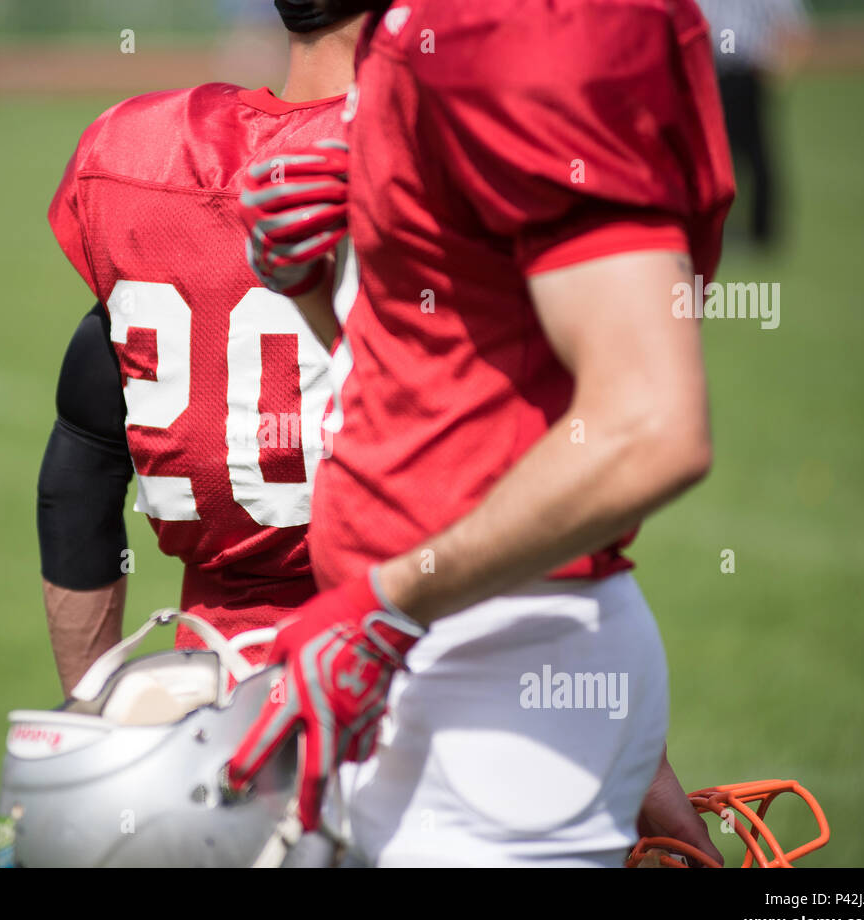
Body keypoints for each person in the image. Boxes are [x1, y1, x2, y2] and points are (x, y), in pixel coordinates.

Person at [228, 0, 738, 866]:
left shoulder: (520, 23)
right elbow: (450, 394)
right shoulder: (431, 24)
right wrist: (314, 280)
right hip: (441, 651)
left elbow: (652, 425)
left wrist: (383, 605)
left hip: (495, 670)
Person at [37, 3, 361, 695]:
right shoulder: (445, 163)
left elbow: (84, 452)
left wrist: (91, 710)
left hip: (224, 686)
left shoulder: (140, 157)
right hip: (426, 676)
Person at [697, 0, 811, 245]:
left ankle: (761, 230)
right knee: (712, 155)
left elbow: (795, 28)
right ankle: (713, 227)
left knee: (755, 152)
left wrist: (779, 72)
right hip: (712, 72)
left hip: (748, 72)